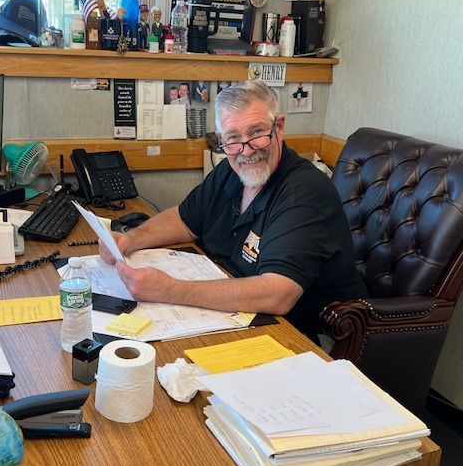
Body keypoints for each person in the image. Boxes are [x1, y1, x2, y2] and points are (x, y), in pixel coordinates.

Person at [99, 81, 367, 341]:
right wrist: (130, 239)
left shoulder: (305, 191)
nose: (246, 150)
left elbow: (278, 293)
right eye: (233, 139)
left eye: (257, 133)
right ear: (221, 140)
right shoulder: (230, 170)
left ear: (279, 128)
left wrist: (169, 289)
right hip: (236, 318)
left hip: (303, 336)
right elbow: (184, 218)